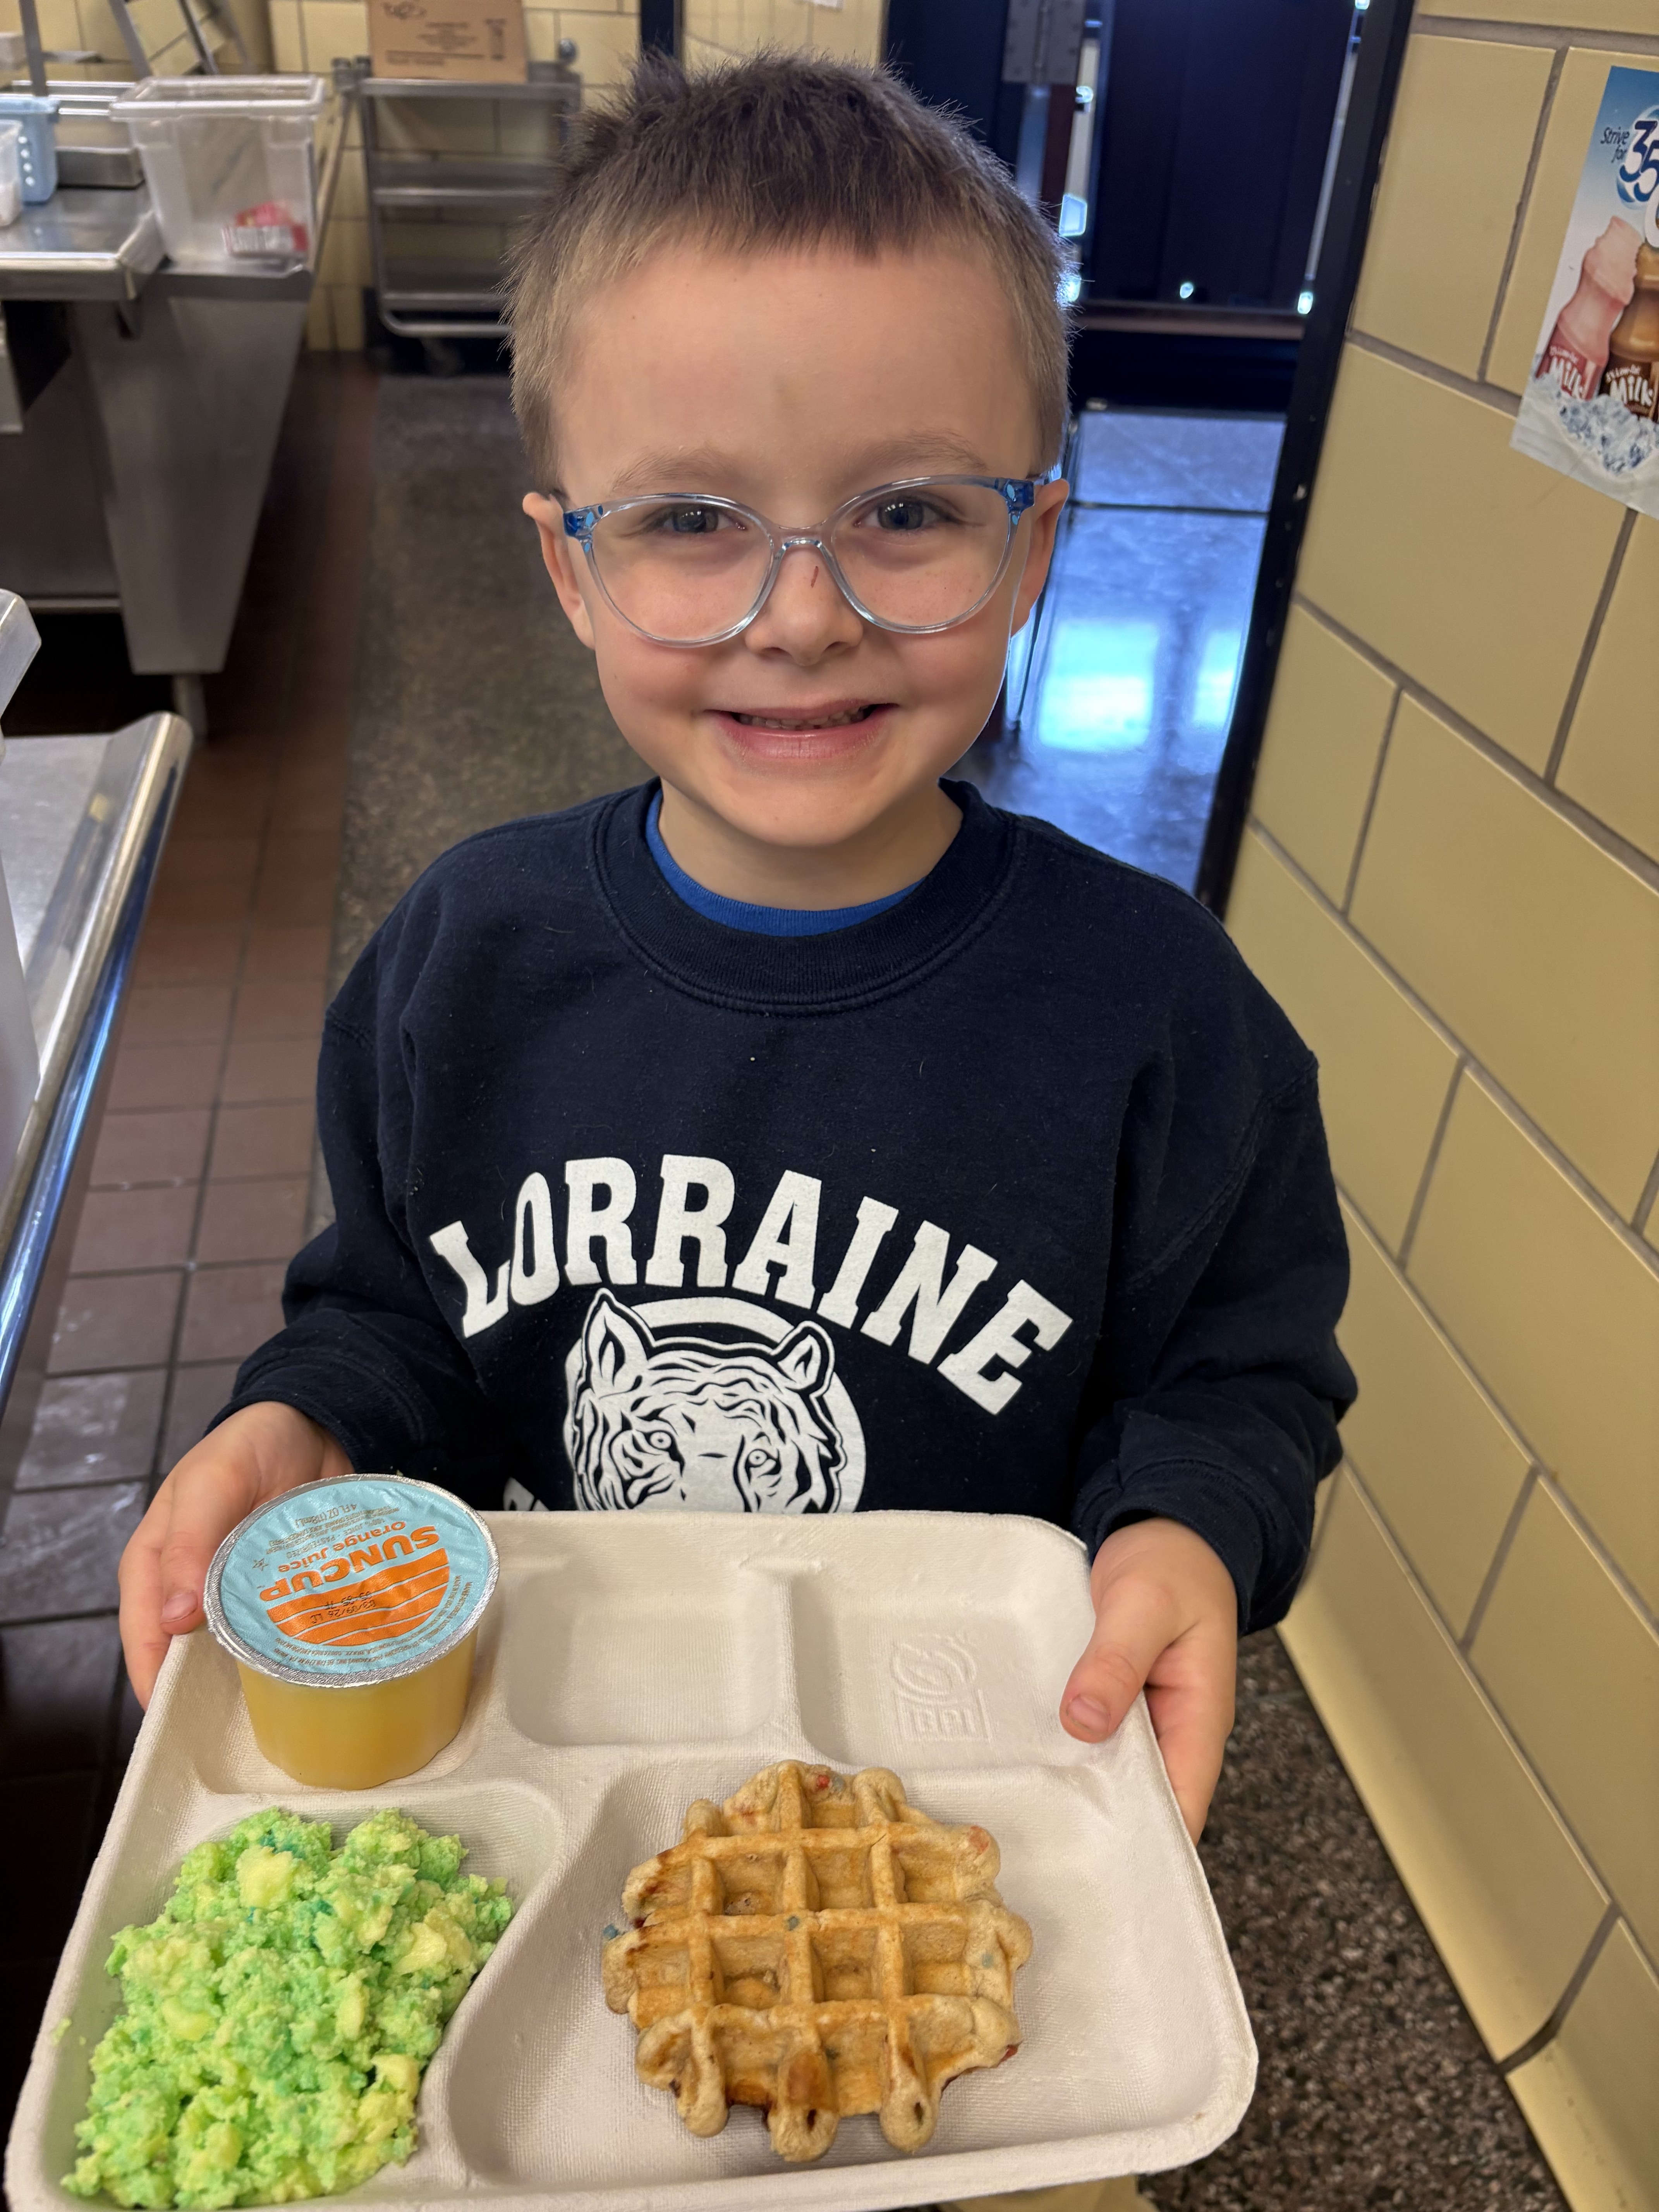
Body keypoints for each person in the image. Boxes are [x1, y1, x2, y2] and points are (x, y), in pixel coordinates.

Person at [120, 53, 1351, 1905]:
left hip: (978, 1795)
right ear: (569, 571)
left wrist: (1191, 1528)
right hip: (543, 1777)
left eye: (910, 512)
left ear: (1034, 543)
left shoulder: (1162, 1014)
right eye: (691, 521)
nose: (802, 614)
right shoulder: (462, 961)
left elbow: (1240, 1382)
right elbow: (391, 1320)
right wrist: (305, 1420)